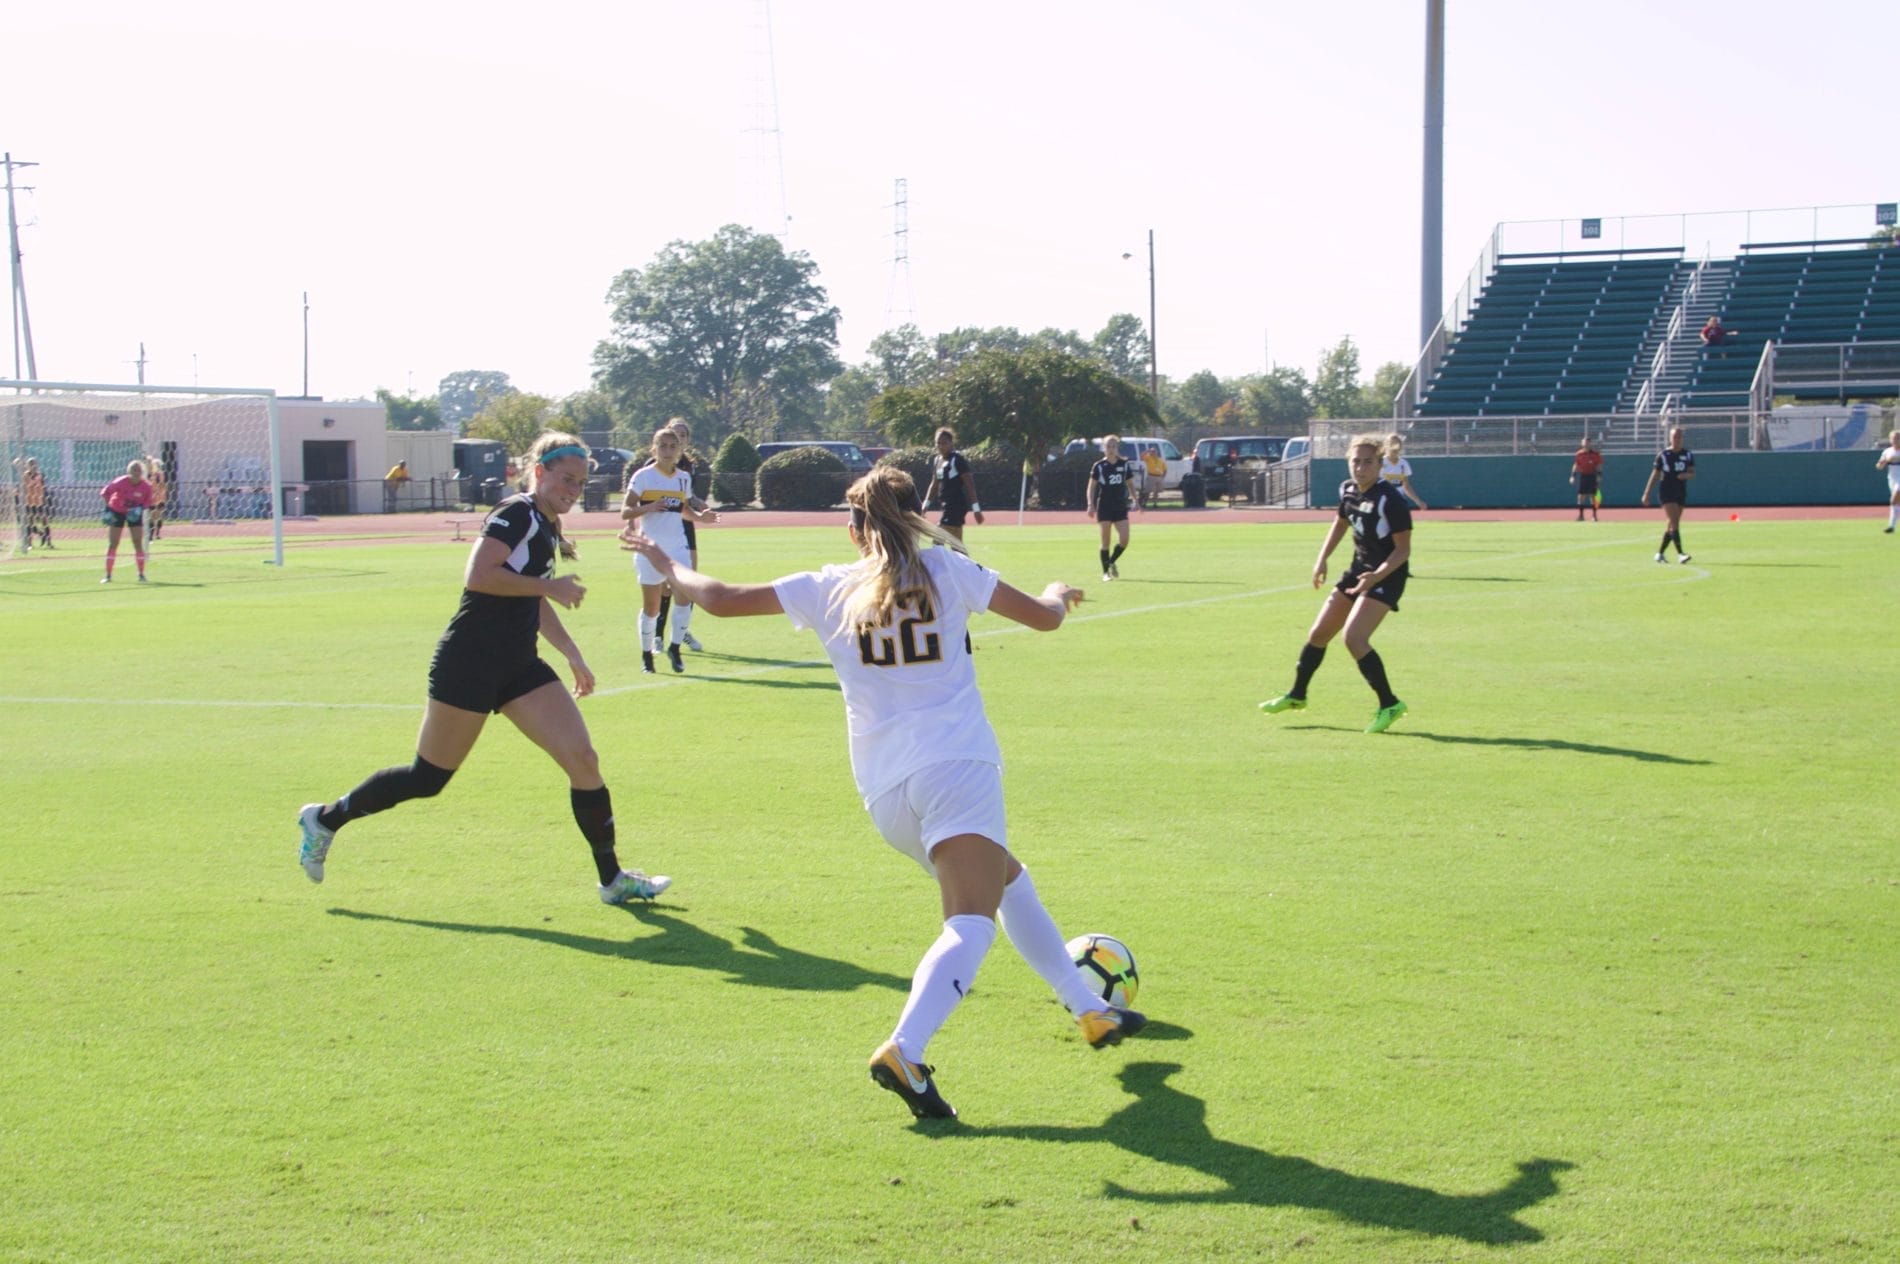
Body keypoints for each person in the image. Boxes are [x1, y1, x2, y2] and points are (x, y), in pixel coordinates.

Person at [624, 466, 1144, 1122]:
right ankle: (906, 1047)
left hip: (884, 791)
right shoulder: (950, 570)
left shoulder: (828, 586)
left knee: (1008, 881)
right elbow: (1041, 618)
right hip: (956, 766)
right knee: (970, 922)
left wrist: (666, 560)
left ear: (852, 529)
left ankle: (1089, 1008)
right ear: (919, 512)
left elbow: (722, 598)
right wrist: (1056, 592)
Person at [295, 432, 671, 907]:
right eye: (565, 479)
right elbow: (479, 575)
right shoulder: (515, 513)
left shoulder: (545, 521)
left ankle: (612, 879)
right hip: (469, 663)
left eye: (580, 482)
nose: (574, 489)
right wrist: (549, 586)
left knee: (583, 760)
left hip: (518, 667)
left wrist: (572, 653)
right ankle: (325, 819)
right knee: (427, 779)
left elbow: (530, 596)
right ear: (540, 472)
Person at [1259, 433, 1412, 734]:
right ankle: (1297, 695)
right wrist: (1322, 558)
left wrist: (1377, 576)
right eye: (1356, 461)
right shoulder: (1348, 490)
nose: (1360, 468)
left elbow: (1403, 550)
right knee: (1318, 633)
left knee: (1354, 639)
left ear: (1380, 465)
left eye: (1368, 462)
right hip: (1358, 571)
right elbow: (1341, 522)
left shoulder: (1390, 500)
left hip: (1387, 576)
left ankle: (1389, 703)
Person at [621, 426, 719, 674]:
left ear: (679, 450)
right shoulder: (643, 476)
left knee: (684, 598)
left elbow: (683, 510)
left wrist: (700, 517)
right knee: (652, 607)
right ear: (653, 449)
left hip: (678, 548)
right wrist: (649, 506)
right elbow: (625, 511)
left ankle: (675, 649)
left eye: (672, 446)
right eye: (662, 446)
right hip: (650, 549)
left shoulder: (683, 478)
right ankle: (647, 656)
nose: (667, 451)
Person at [643, 418, 712, 655]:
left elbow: (686, 497)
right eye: (675, 434)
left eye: (683, 435)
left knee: (689, 581)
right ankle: (659, 636)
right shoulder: (653, 465)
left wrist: (698, 504)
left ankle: (682, 632)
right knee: (664, 585)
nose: (678, 439)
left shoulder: (689, 467)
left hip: (685, 526)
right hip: (663, 529)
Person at [1640, 426, 1696, 563]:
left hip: (1680, 491)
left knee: (1671, 524)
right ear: (1670, 438)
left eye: (1679, 437)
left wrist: (1686, 475)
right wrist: (1646, 493)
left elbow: (1693, 473)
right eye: (1674, 437)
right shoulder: (1663, 455)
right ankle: (1681, 554)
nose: (1677, 440)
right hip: (1667, 491)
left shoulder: (1687, 454)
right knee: (1675, 522)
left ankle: (1660, 554)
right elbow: (1655, 475)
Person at [1087, 435, 1136, 581]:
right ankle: (1105, 573)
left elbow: (1130, 484)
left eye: (1113, 446)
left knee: (1124, 539)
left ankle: (1111, 561)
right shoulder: (1099, 466)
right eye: (1108, 446)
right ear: (1104, 448)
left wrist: (1135, 499)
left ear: (1117, 448)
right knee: (1105, 541)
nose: (1111, 449)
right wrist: (1090, 504)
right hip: (1105, 506)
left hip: (1120, 505)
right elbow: (1091, 487)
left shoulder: (1124, 464)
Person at [922, 426, 984, 542]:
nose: (941, 446)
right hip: (946, 506)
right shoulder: (937, 460)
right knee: (956, 545)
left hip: (956, 506)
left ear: (951, 443)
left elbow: (970, 485)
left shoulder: (957, 460)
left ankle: (947, 559)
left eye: (944, 443)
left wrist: (976, 509)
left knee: (938, 540)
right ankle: (964, 560)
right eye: (938, 443)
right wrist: (925, 505)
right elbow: (934, 484)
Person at [99, 459, 156, 583]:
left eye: (139, 470)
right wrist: (109, 508)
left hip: (134, 514)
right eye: (134, 470)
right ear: (129, 471)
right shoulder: (121, 482)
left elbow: (148, 501)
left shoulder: (146, 486)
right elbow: (105, 492)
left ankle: (141, 574)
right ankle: (108, 575)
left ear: (142, 472)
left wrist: (139, 508)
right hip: (117, 511)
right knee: (113, 543)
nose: (136, 472)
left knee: (137, 542)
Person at [1381, 434, 1429, 510]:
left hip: (1398, 501)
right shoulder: (1380, 463)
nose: (1395, 446)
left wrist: (1418, 501)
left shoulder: (1403, 463)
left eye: (1397, 443)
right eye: (1391, 443)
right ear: (1386, 445)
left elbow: (1406, 486)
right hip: (1383, 501)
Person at [1570, 436, 1603, 522]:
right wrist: (1573, 476)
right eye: (1584, 443)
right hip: (1583, 476)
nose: (1585, 445)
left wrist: (1599, 476)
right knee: (1581, 496)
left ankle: (1594, 516)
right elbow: (1576, 465)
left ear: (1590, 444)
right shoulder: (1579, 454)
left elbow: (1599, 466)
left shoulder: (1596, 454)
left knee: (1593, 497)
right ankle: (1581, 516)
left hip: (1592, 476)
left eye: (1587, 443)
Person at [21, 456, 51, 550]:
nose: (33, 466)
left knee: (45, 521)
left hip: (39, 502)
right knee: (29, 523)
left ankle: (49, 542)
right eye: (31, 464)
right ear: (28, 466)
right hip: (29, 502)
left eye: (34, 464)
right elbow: (24, 487)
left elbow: (43, 487)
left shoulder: (40, 475)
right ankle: (29, 543)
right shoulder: (25, 475)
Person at [1877, 429, 1900, 534]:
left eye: (1898, 438)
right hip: (1892, 478)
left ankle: (1891, 525)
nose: (1896, 440)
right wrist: (1885, 461)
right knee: (1896, 502)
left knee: (1894, 497)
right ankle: (1891, 526)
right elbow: (1879, 466)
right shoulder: (1887, 451)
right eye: (1894, 438)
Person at [145, 455, 168, 540]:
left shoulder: (159, 475)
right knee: (153, 517)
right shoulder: (150, 475)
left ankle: (156, 534)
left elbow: (162, 486)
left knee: (157, 516)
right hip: (153, 499)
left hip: (159, 498)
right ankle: (151, 535)